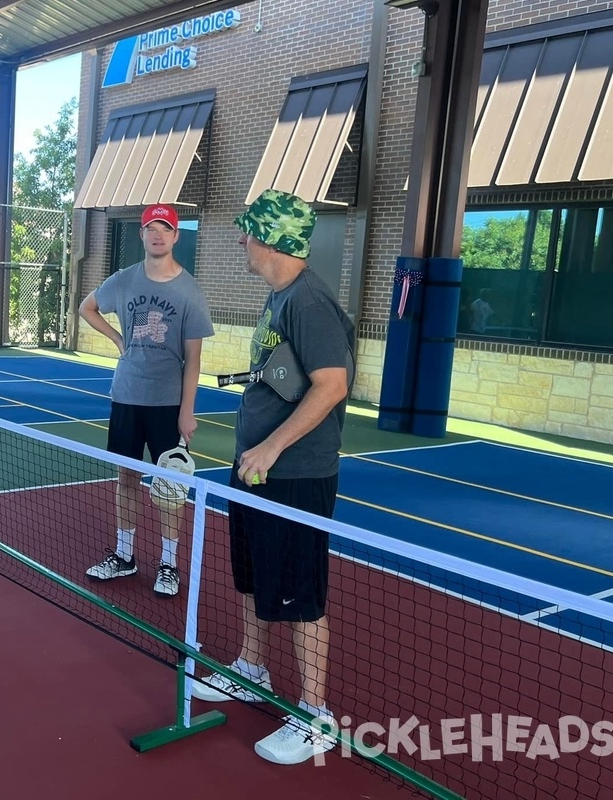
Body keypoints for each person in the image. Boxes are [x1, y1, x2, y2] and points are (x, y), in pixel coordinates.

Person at [190, 189, 354, 766]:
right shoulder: (279, 297)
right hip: (259, 470)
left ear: (272, 239)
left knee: (299, 595)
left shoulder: (308, 303)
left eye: (248, 231)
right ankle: (252, 668)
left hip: (295, 477)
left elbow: (333, 385)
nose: (241, 240)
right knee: (256, 577)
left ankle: (316, 717)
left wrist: (271, 446)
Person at [78, 203, 214, 597]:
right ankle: (125, 556)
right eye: (151, 228)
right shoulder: (123, 280)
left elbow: (194, 360)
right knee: (126, 477)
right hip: (126, 396)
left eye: (165, 229)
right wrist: (118, 339)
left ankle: (168, 564)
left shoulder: (189, 290)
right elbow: (87, 307)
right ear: (142, 235)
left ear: (175, 236)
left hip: (167, 403)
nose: (157, 234)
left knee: (169, 488)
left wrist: (187, 412)